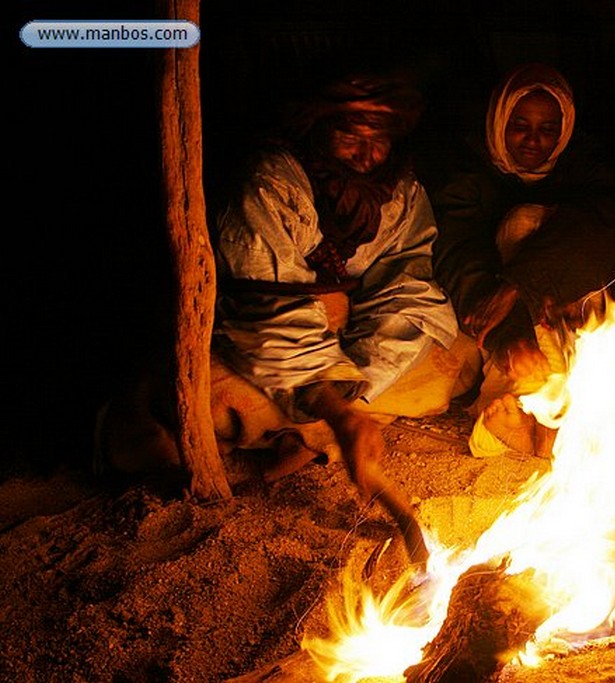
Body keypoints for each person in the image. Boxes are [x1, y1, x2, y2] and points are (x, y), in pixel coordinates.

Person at [98, 74, 473, 564]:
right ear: (317, 127)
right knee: (188, 408)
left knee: (456, 355)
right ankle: (321, 429)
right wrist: (337, 411)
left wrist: (350, 390)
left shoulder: (399, 193)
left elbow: (407, 287)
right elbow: (269, 316)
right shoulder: (270, 183)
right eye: (350, 136)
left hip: (348, 352)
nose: (366, 154)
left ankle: (318, 428)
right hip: (253, 346)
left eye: (379, 140)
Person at [428, 62, 615, 458]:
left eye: (547, 129)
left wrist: (519, 286)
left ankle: (535, 407)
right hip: (489, 313)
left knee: (527, 222)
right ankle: (535, 405)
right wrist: (511, 335)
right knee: (436, 372)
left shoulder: (584, 169)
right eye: (520, 125)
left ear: (564, 130)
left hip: (565, 308)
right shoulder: (467, 172)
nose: (533, 141)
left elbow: (609, 226)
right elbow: (458, 250)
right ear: (500, 120)